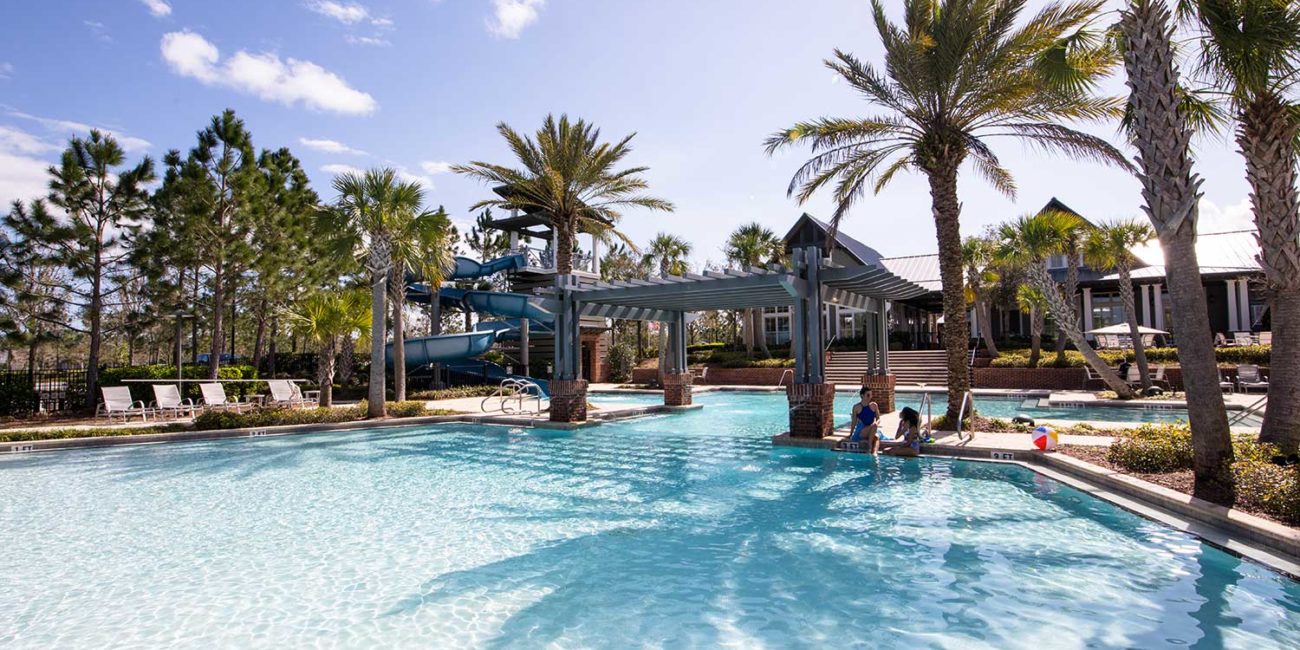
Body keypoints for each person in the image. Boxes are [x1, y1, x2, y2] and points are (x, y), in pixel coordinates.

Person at [846, 386, 880, 452]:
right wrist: (851, 434)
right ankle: (870, 447)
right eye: (868, 395)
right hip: (861, 431)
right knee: (875, 432)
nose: (870, 397)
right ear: (862, 395)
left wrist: (876, 423)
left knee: (876, 437)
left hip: (872, 428)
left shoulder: (874, 405)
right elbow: (854, 422)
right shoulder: (856, 407)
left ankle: (874, 453)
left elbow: (878, 418)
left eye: (871, 395)